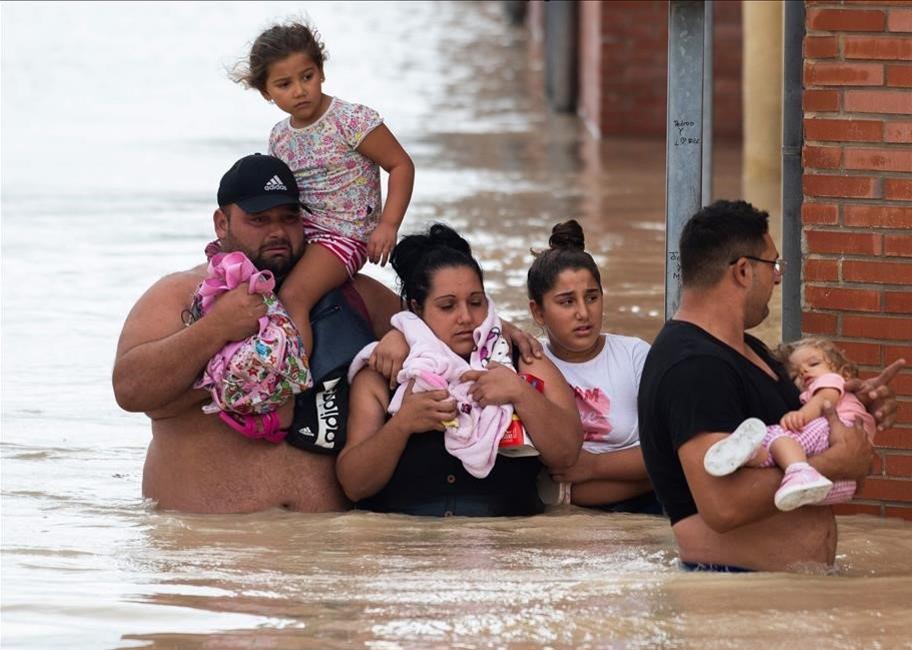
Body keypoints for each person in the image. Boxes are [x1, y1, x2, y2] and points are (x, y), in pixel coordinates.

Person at [112, 155, 543, 514]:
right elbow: (130, 390)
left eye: (289, 217)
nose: (277, 232)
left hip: (333, 554)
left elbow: (447, 316)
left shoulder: (353, 295)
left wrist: (410, 333)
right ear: (221, 223)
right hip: (208, 553)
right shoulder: (181, 294)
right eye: (258, 220)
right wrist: (216, 329)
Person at [637, 200, 902, 572]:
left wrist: (853, 411)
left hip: (782, 596)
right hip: (734, 594)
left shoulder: (752, 352)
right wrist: (832, 462)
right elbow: (721, 506)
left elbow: (817, 449)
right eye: (773, 265)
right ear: (744, 271)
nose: (778, 277)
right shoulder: (694, 366)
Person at [336, 224, 584, 517]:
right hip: (407, 550)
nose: (466, 317)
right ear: (417, 309)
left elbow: (567, 455)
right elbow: (353, 485)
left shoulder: (521, 358)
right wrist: (401, 425)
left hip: (509, 548)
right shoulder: (385, 373)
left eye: (476, 303)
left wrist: (520, 393)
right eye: (447, 306)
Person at [231, 21, 416, 385]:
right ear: (267, 92)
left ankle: (292, 379)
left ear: (321, 72)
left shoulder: (351, 120)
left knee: (294, 296)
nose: (300, 91)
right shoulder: (280, 137)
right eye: (284, 84)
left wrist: (388, 225)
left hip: (345, 233)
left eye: (307, 76)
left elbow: (401, 165)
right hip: (307, 230)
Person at [525, 220, 661, 514]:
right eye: (566, 302)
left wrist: (593, 466)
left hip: (648, 509)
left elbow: (672, 451)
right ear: (538, 311)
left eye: (592, 297)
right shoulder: (529, 364)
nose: (583, 313)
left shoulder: (635, 355)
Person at [703, 337, 875, 511]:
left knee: (780, 436)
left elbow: (824, 399)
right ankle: (752, 457)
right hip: (841, 487)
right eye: (794, 375)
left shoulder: (833, 381)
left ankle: (775, 459)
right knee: (781, 454)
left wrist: (801, 415)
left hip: (835, 431)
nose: (804, 372)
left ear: (844, 373)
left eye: (813, 364)